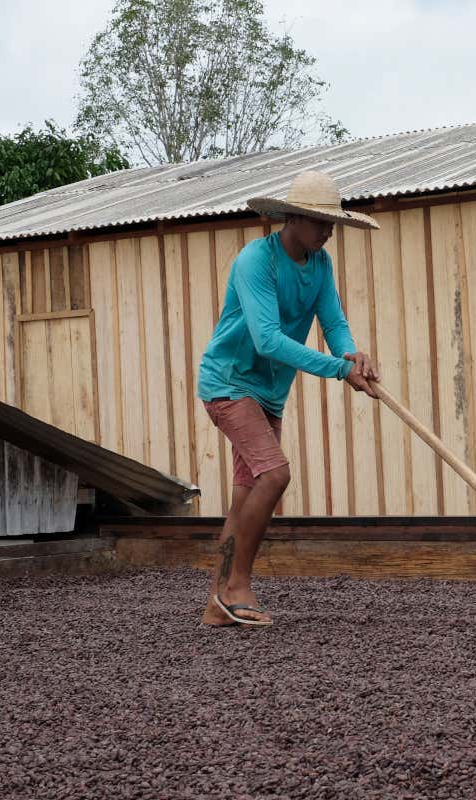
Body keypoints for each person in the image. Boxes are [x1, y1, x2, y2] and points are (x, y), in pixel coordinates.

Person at [197, 170, 380, 627]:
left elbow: (333, 322)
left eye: (332, 223)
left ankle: (217, 605)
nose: (328, 231)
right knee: (275, 474)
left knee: (246, 495)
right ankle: (238, 585)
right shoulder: (255, 262)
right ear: (292, 218)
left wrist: (351, 356)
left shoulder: (320, 265)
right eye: (320, 222)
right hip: (229, 383)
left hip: (268, 394)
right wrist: (338, 371)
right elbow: (267, 340)